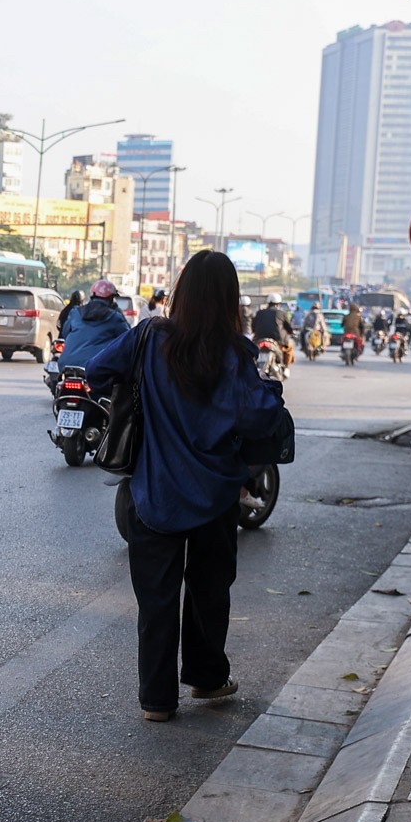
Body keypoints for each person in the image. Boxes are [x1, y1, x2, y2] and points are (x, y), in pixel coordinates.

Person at [87, 250, 284, 722]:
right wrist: (271, 386)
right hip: (215, 496)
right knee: (209, 593)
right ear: (229, 299)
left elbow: (96, 370)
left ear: (182, 293)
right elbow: (262, 415)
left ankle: (157, 700)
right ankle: (206, 677)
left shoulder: (150, 337)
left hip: (154, 493)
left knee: (156, 601)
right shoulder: (235, 354)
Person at [60, 279, 132, 371]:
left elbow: (65, 333)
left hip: (66, 365)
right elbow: (128, 340)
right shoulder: (115, 317)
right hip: (97, 367)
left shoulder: (75, 313)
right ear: (110, 298)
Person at [250, 292, 295, 375]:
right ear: (278, 303)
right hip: (278, 341)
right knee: (290, 347)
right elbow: (289, 328)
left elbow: (253, 326)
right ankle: (286, 368)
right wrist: (291, 332)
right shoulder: (282, 313)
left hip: (259, 339)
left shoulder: (260, 313)